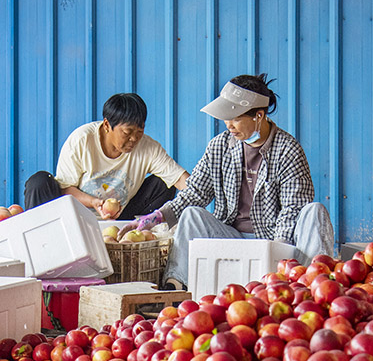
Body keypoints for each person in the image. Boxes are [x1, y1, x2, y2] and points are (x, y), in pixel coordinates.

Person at [123, 74, 333, 290]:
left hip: (276, 239)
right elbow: (194, 193)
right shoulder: (220, 146)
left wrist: (275, 256)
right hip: (232, 236)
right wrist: (157, 217)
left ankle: (311, 287)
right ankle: (175, 287)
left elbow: (293, 208)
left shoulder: (288, 150)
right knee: (192, 215)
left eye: (235, 118)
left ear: (258, 116)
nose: (228, 125)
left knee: (314, 211)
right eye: (226, 118)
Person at [23, 93, 189, 220]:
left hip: (120, 219)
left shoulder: (148, 147)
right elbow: (65, 188)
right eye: (127, 132)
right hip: (75, 218)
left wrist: (205, 195)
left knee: (165, 183)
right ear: (107, 125)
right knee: (39, 182)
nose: (134, 139)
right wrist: (94, 202)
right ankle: (42, 243)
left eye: (139, 132)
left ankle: (138, 232)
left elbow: (181, 179)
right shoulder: (82, 140)